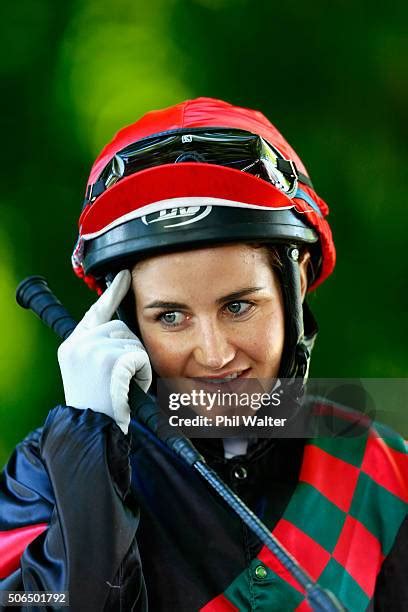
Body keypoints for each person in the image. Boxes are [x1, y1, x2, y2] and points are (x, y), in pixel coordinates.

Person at [0, 97, 407, 612]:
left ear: (296, 284)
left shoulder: (383, 471)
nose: (214, 356)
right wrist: (87, 448)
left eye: (238, 306)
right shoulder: (45, 475)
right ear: (120, 321)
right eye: (170, 317)